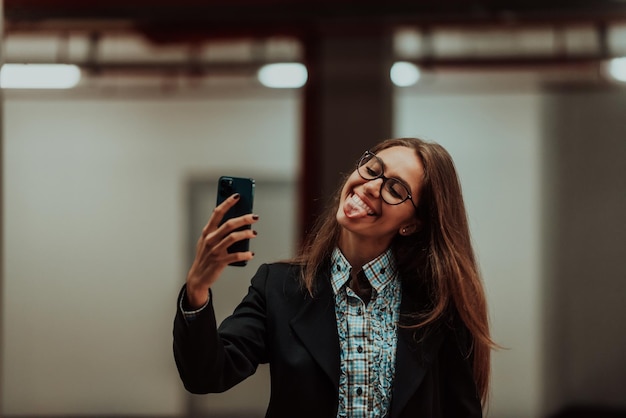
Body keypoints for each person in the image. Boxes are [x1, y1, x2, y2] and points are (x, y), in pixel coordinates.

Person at [173, 137, 495, 417]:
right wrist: (198, 288)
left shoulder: (438, 306)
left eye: (395, 188)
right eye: (372, 170)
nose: (370, 186)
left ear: (411, 224)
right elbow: (207, 375)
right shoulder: (280, 287)